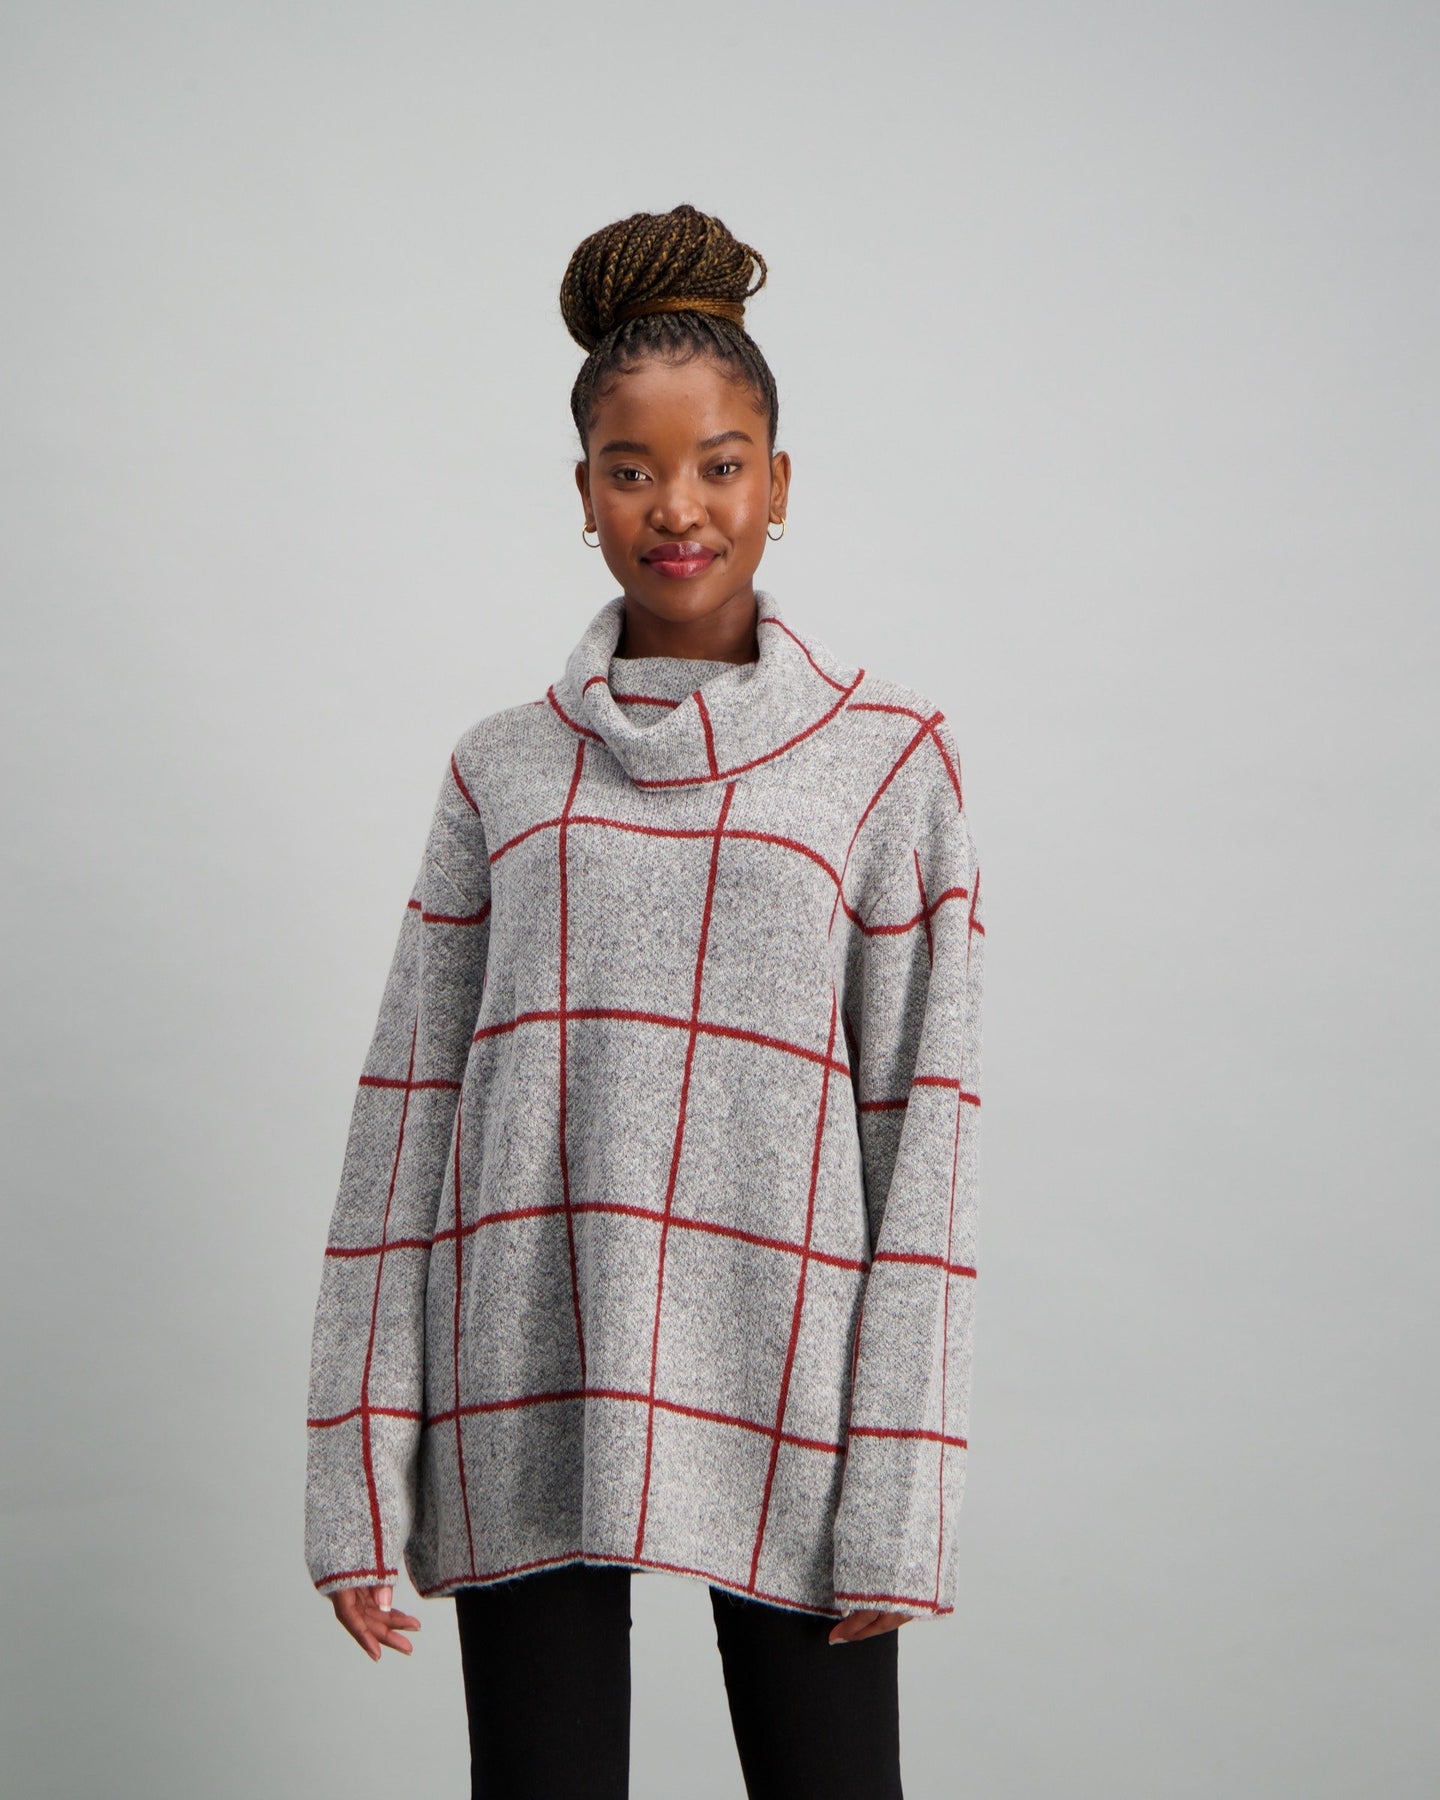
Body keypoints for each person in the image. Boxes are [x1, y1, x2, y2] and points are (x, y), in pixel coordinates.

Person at [304, 202, 986, 1798]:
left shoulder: (887, 761)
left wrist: (902, 1492)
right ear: (583, 494)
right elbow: (405, 1120)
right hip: (524, 1370)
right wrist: (356, 1473)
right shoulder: (502, 769)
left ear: (780, 483)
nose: (677, 508)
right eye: (631, 470)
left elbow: (927, 1144)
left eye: (720, 464)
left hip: (794, 1389)